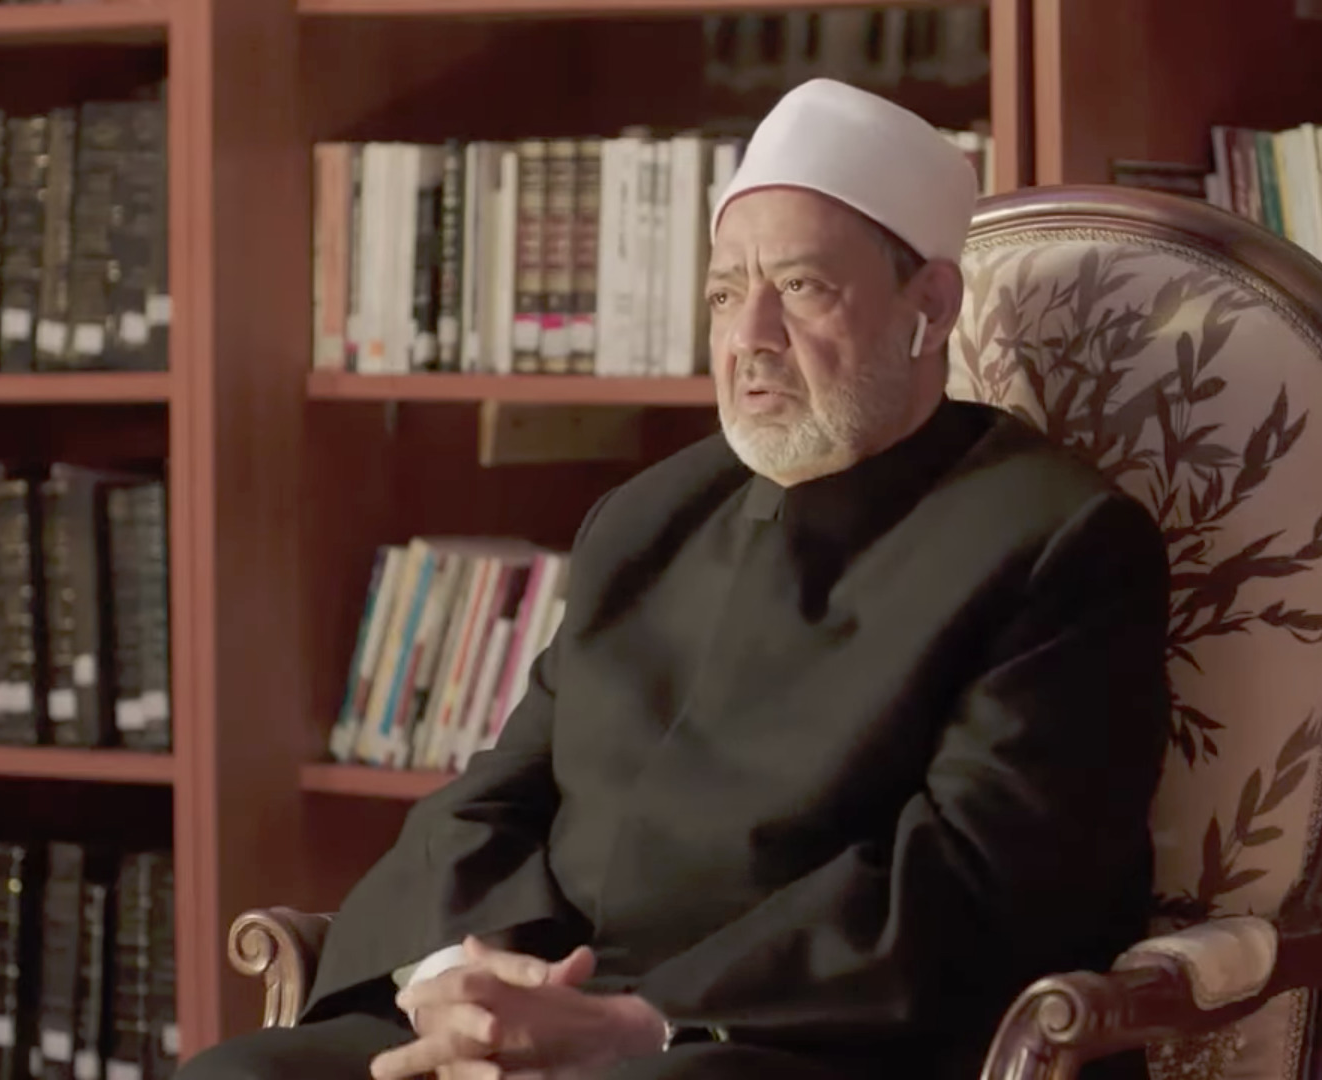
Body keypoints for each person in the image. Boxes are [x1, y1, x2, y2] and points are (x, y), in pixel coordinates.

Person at [182, 77, 1171, 1080]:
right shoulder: (649, 514)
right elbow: (494, 794)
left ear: (931, 306)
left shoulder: (1057, 541)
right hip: (562, 1006)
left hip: (800, 1041)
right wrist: (464, 977)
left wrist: (642, 1021)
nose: (751, 337)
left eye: (801, 287)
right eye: (725, 293)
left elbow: (979, 884)